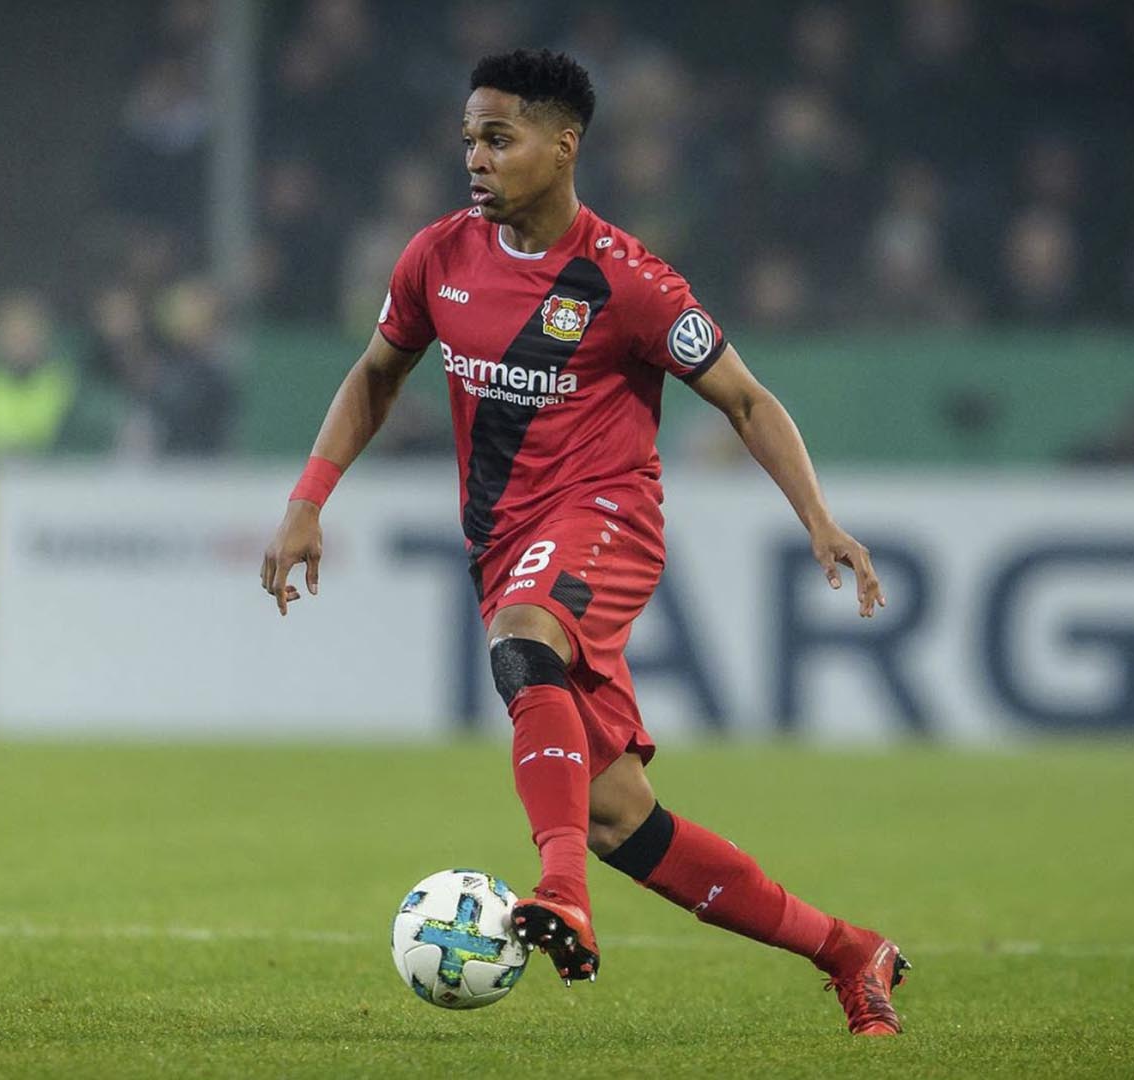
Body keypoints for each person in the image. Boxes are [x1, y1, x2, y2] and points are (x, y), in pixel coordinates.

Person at [258, 49, 908, 1036]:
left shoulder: (629, 281)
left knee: (524, 640)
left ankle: (561, 890)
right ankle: (850, 950)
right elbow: (377, 373)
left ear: (564, 146)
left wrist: (819, 520)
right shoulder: (437, 257)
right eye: (469, 138)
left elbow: (745, 399)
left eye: (499, 138)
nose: (476, 158)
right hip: (503, 541)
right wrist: (309, 499)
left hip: (607, 518)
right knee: (618, 818)